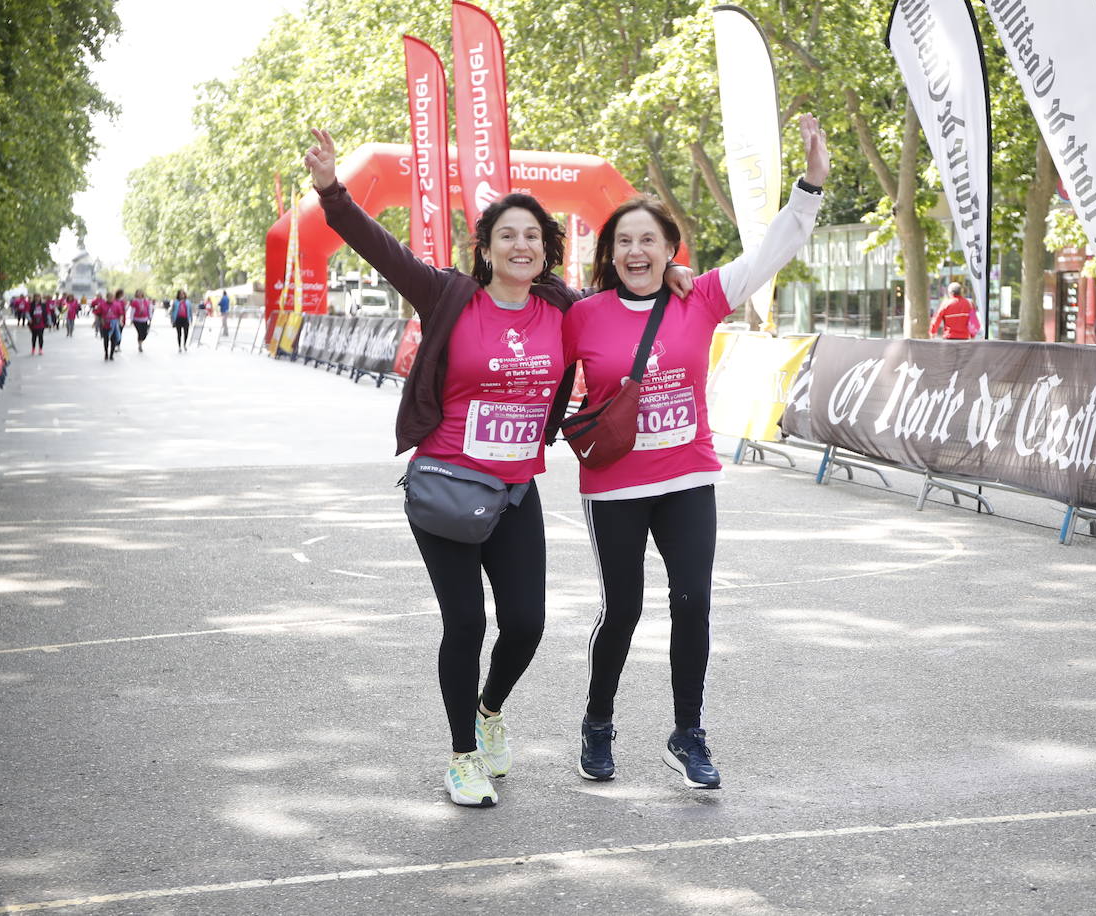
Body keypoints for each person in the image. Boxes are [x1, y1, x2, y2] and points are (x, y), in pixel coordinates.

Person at [304, 125, 693, 809]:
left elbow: (630, 306)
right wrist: (332, 192)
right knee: (466, 624)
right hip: (449, 488)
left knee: (527, 623)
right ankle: (461, 757)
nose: (521, 245)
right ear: (484, 247)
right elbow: (381, 248)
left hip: (516, 491)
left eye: (534, 237)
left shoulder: (563, 309)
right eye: (507, 235)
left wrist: (675, 276)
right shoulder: (449, 295)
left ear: (547, 251)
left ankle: (489, 711)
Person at [563, 113, 830, 791]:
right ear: (609, 254)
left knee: (693, 602)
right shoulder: (582, 315)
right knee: (621, 610)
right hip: (615, 486)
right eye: (623, 241)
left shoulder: (702, 297)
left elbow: (772, 250)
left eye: (648, 240)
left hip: (686, 480)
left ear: (669, 249)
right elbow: (534, 360)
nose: (635, 251)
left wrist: (811, 185)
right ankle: (598, 723)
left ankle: (688, 732)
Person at [100, 292, 124, 360]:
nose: (110, 298)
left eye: (112, 297)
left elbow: (121, 314)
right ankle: (106, 353)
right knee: (106, 340)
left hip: (114, 325)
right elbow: (100, 314)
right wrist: (101, 321)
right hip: (106, 325)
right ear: (106, 297)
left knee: (113, 340)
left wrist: (121, 321)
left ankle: (111, 354)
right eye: (109, 297)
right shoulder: (102, 305)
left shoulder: (117, 305)